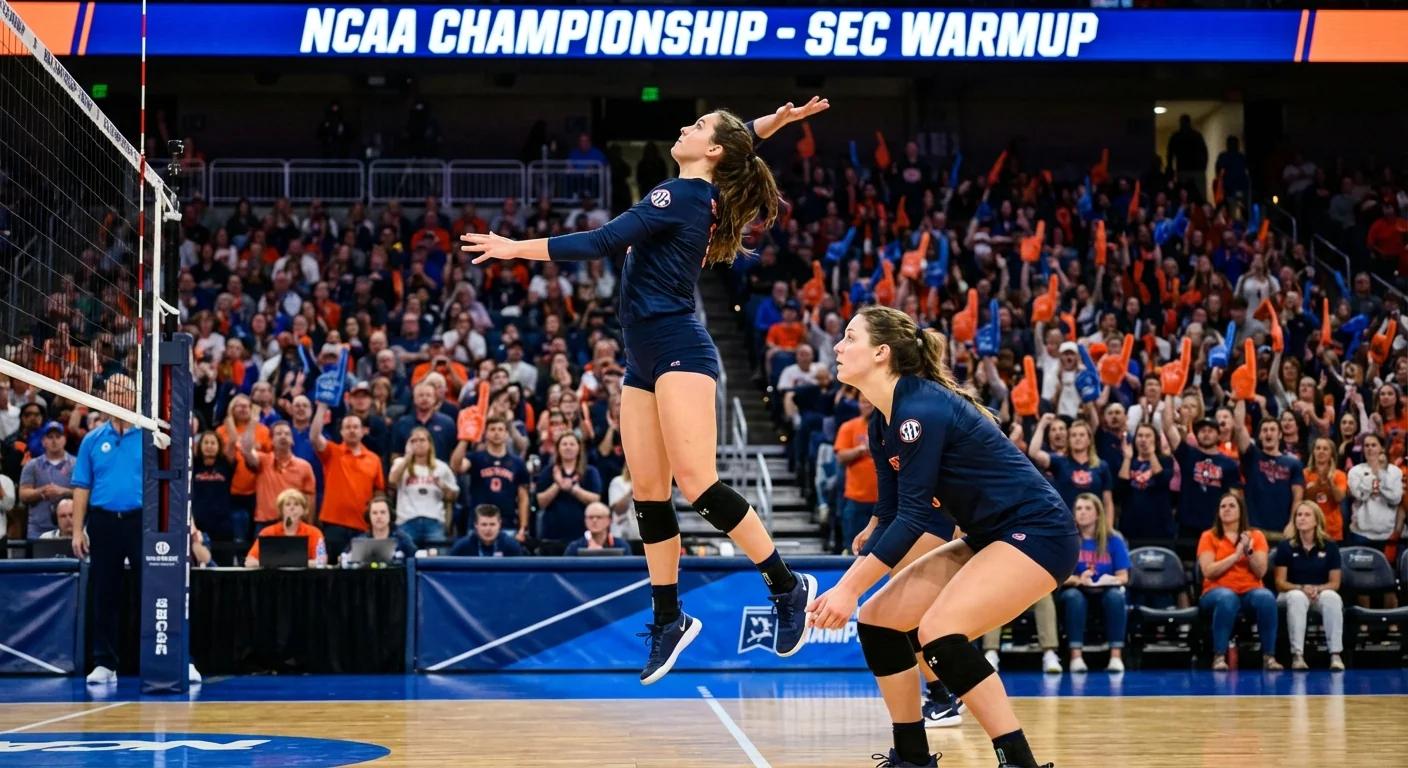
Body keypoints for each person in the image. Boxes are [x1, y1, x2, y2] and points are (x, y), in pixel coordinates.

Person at [463, 98, 829, 682]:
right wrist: (769, 126)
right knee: (649, 496)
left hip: (679, 343)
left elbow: (601, 242)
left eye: (699, 125)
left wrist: (514, 249)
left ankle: (787, 587)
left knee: (698, 484)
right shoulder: (701, 186)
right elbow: (732, 146)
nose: (685, 125)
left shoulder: (679, 194)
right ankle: (669, 619)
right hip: (642, 354)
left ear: (711, 150)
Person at [810, 306, 1077, 768]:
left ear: (880, 353)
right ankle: (912, 759)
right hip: (990, 534)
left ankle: (1019, 763)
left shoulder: (920, 408)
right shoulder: (883, 422)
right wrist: (862, 565)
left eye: (848, 337)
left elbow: (914, 519)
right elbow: (894, 514)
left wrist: (849, 589)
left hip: (1039, 532)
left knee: (939, 633)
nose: (837, 346)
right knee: (878, 622)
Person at [70, 377, 147, 685]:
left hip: (141, 521)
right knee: (105, 594)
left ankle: (171, 658)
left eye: (124, 390)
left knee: (155, 592)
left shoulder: (150, 436)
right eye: (113, 390)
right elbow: (81, 487)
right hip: (103, 522)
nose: (118, 396)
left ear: (134, 396)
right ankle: (105, 662)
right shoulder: (92, 439)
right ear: (104, 397)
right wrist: (77, 530)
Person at [1196, 492, 1282, 671]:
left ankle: (1269, 657)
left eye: (1231, 506)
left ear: (1241, 512)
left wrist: (1248, 552)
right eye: (1223, 506)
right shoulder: (1209, 536)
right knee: (1227, 598)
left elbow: (1260, 572)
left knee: (1266, 598)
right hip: (1216, 591)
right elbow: (1209, 571)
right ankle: (1219, 657)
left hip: (1250, 591)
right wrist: (1236, 556)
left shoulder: (1255, 536)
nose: (1226, 509)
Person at [1058, 493, 1130, 673]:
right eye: (1079, 509)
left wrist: (1109, 580)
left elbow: (1124, 576)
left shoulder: (1114, 539)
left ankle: (1115, 656)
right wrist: (1078, 580)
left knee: (1116, 596)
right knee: (1074, 597)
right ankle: (1076, 657)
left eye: (1088, 508)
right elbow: (1057, 575)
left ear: (1098, 513)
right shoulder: (1067, 539)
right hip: (1077, 589)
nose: (1082, 513)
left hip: (1105, 589)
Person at [1273, 501, 1345, 671]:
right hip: (1291, 592)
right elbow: (1280, 583)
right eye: (1299, 515)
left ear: (1316, 521)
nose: (1302, 519)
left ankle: (1335, 654)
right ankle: (1297, 655)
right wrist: (1300, 588)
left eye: (1306, 515)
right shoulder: (1285, 547)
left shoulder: (1330, 547)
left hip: (1318, 592)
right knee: (1297, 598)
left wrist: (1317, 589)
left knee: (1332, 597)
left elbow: (1335, 583)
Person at [310, 400, 385, 558]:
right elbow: (315, 437)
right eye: (347, 427)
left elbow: (379, 493)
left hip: (363, 527)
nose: (352, 431)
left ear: (364, 431)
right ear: (341, 432)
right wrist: (322, 407)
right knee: (332, 574)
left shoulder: (374, 459)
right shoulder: (332, 452)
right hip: (334, 525)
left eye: (356, 427)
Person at [388, 426, 458, 547]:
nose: (418, 444)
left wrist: (442, 486)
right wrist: (407, 456)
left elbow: (453, 496)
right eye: (414, 441)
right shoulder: (401, 463)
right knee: (405, 561)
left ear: (430, 443)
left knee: (436, 562)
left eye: (422, 440)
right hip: (407, 520)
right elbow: (392, 480)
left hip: (434, 521)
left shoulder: (441, 467)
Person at [17, 421, 74, 539]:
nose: (54, 440)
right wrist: (42, 491)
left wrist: (63, 492)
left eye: (58, 437)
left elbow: (87, 493)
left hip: (71, 527)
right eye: (50, 437)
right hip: (38, 529)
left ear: (64, 440)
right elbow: (23, 494)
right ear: (43, 441)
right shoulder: (32, 465)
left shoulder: (77, 465)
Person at [244, 488, 327, 567]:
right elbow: (249, 561)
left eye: (296, 504)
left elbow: (321, 561)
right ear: (281, 510)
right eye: (287, 504)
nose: (292, 508)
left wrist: (283, 562)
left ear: (303, 510)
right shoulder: (267, 532)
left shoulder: (314, 532)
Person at [346, 495, 416, 562]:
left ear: (390, 514)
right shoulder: (360, 540)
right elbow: (343, 557)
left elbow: (414, 558)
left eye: (383, 512)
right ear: (369, 516)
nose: (379, 516)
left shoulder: (402, 539)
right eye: (374, 513)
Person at [449, 504, 522, 557]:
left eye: (492, 524)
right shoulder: (462, 547)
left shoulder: (511, 547)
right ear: (476, 525)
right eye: (484, 524)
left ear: (499, 524)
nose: (488, 529)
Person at [563, 502, 627, 555]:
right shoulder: (574, 547)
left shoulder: (621, 545)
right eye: (590, 517)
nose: (594, 520)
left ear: (609, 521)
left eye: (599, 517)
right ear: (585, 521)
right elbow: (566, 569)